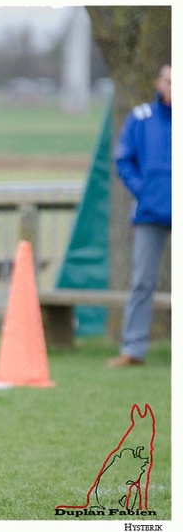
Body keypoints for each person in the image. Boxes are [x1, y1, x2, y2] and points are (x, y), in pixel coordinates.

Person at [108, 64, 171, 367]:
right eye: (169, 82)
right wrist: (142, 190)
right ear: (160, 84)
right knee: (142, 281)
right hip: (150, 211)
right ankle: (133, 348)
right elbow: (123, 159)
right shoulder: (142, 118)